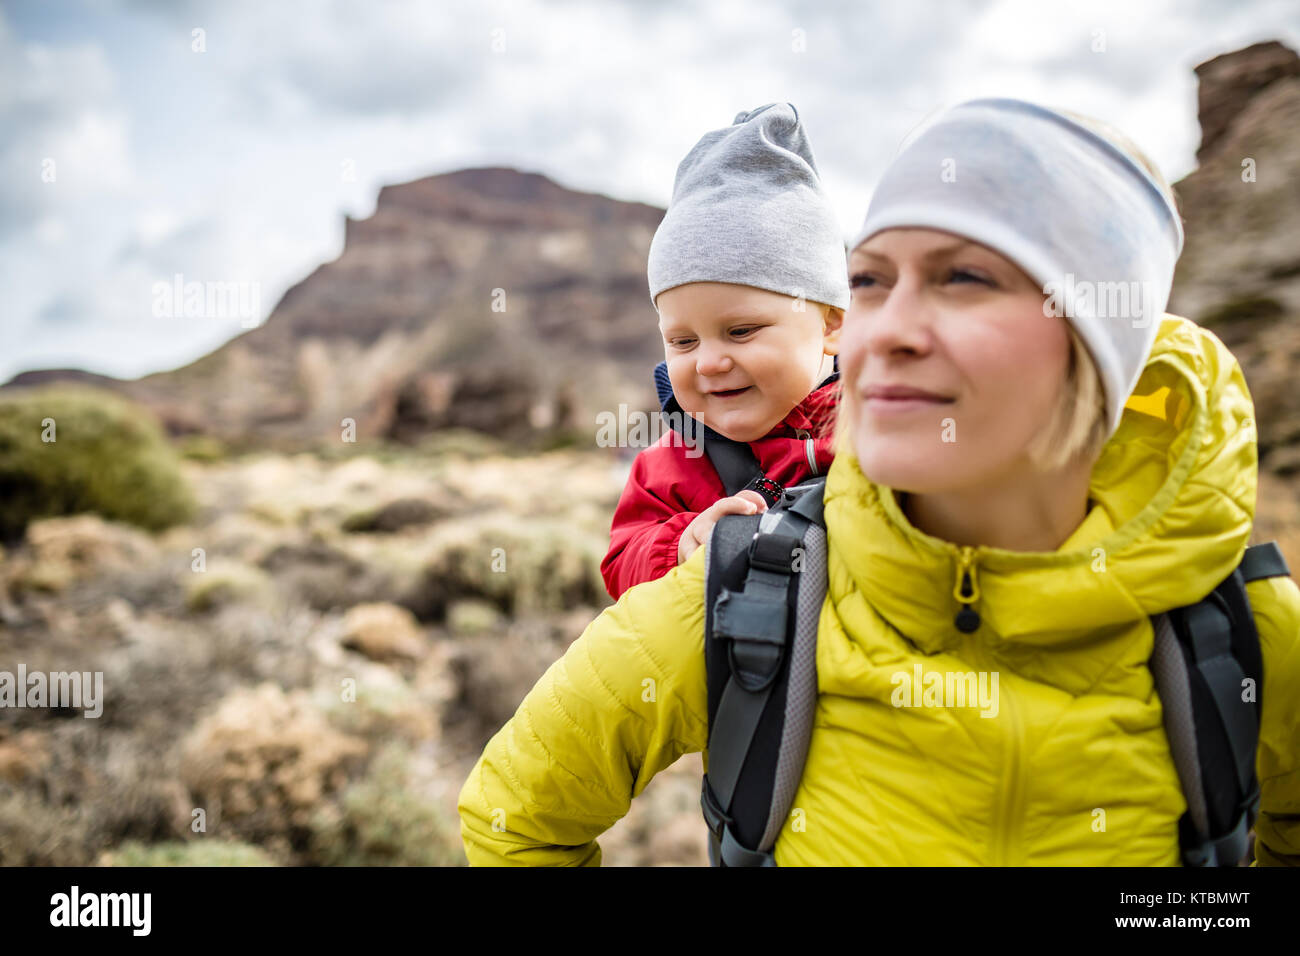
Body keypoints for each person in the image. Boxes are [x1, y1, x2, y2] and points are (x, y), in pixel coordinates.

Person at [458, 98, 1300, 866]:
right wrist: (687, 549)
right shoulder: (743, 593)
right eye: (871, 280)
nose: (887, 328)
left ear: (1099, 343)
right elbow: (515, 822)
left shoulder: (1248, 635)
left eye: (963, 278)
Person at [600, 103, 848, 600]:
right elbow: (621, 563)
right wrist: (682, 546)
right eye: (683, 341)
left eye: (741, 331)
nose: (709, 362)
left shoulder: (876, 429)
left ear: (830, 324)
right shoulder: (671, 462)